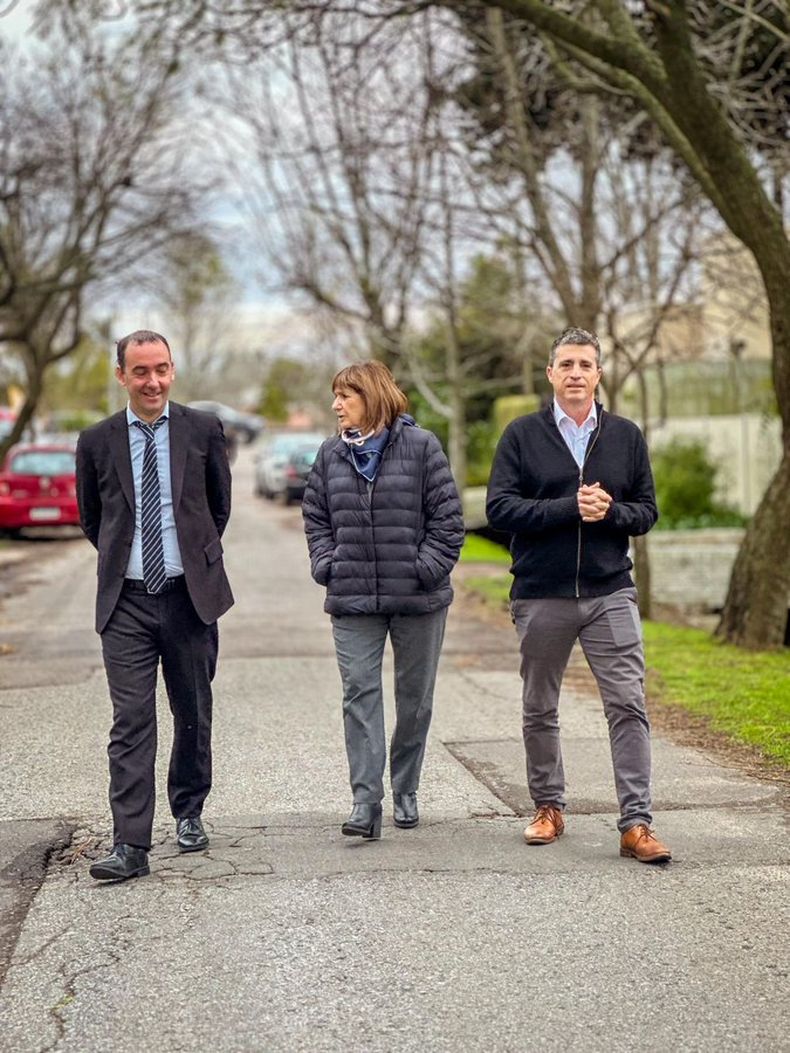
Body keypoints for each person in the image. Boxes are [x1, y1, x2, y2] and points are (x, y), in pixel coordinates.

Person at [486, 326, 671, 863]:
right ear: (550, 373)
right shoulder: (521, 435)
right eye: (565, 364)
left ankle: (636, 822)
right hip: (541, 593)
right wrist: (570, 507)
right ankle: (548, 806)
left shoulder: (625, 436)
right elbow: (500, 510)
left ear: (598, 373)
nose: (575, 374)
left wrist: (610, 512)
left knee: (627, 704)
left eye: (584, 365)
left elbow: (647, 512)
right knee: (540, 705)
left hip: (609, 589)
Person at [76, 330, 234, 882]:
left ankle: (188, 810)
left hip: (189, 598)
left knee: (191, 712)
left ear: (173, 370)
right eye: (141, 371)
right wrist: (132, 564)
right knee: (132, 719)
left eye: (162, 369)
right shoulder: (96, 440)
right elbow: (94, 520)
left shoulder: (203, 430)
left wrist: (187, 560)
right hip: (126, 603)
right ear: (121, 375)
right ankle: (130, 844)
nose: (153, 381)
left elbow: (218, 508)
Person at [302, 361, 464, 839]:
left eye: (345, 396)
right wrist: (327, 563)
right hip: (353, 596)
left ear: (371, 397)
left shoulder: (421, 447)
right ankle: (364, 802)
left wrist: (424, 569)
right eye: (335, 396)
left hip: (418, 598)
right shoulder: (330, 454)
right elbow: (315, 515)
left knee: (414, 699)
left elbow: (449, 521)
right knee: (359, 692)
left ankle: (406, 787)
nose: (336, 405)